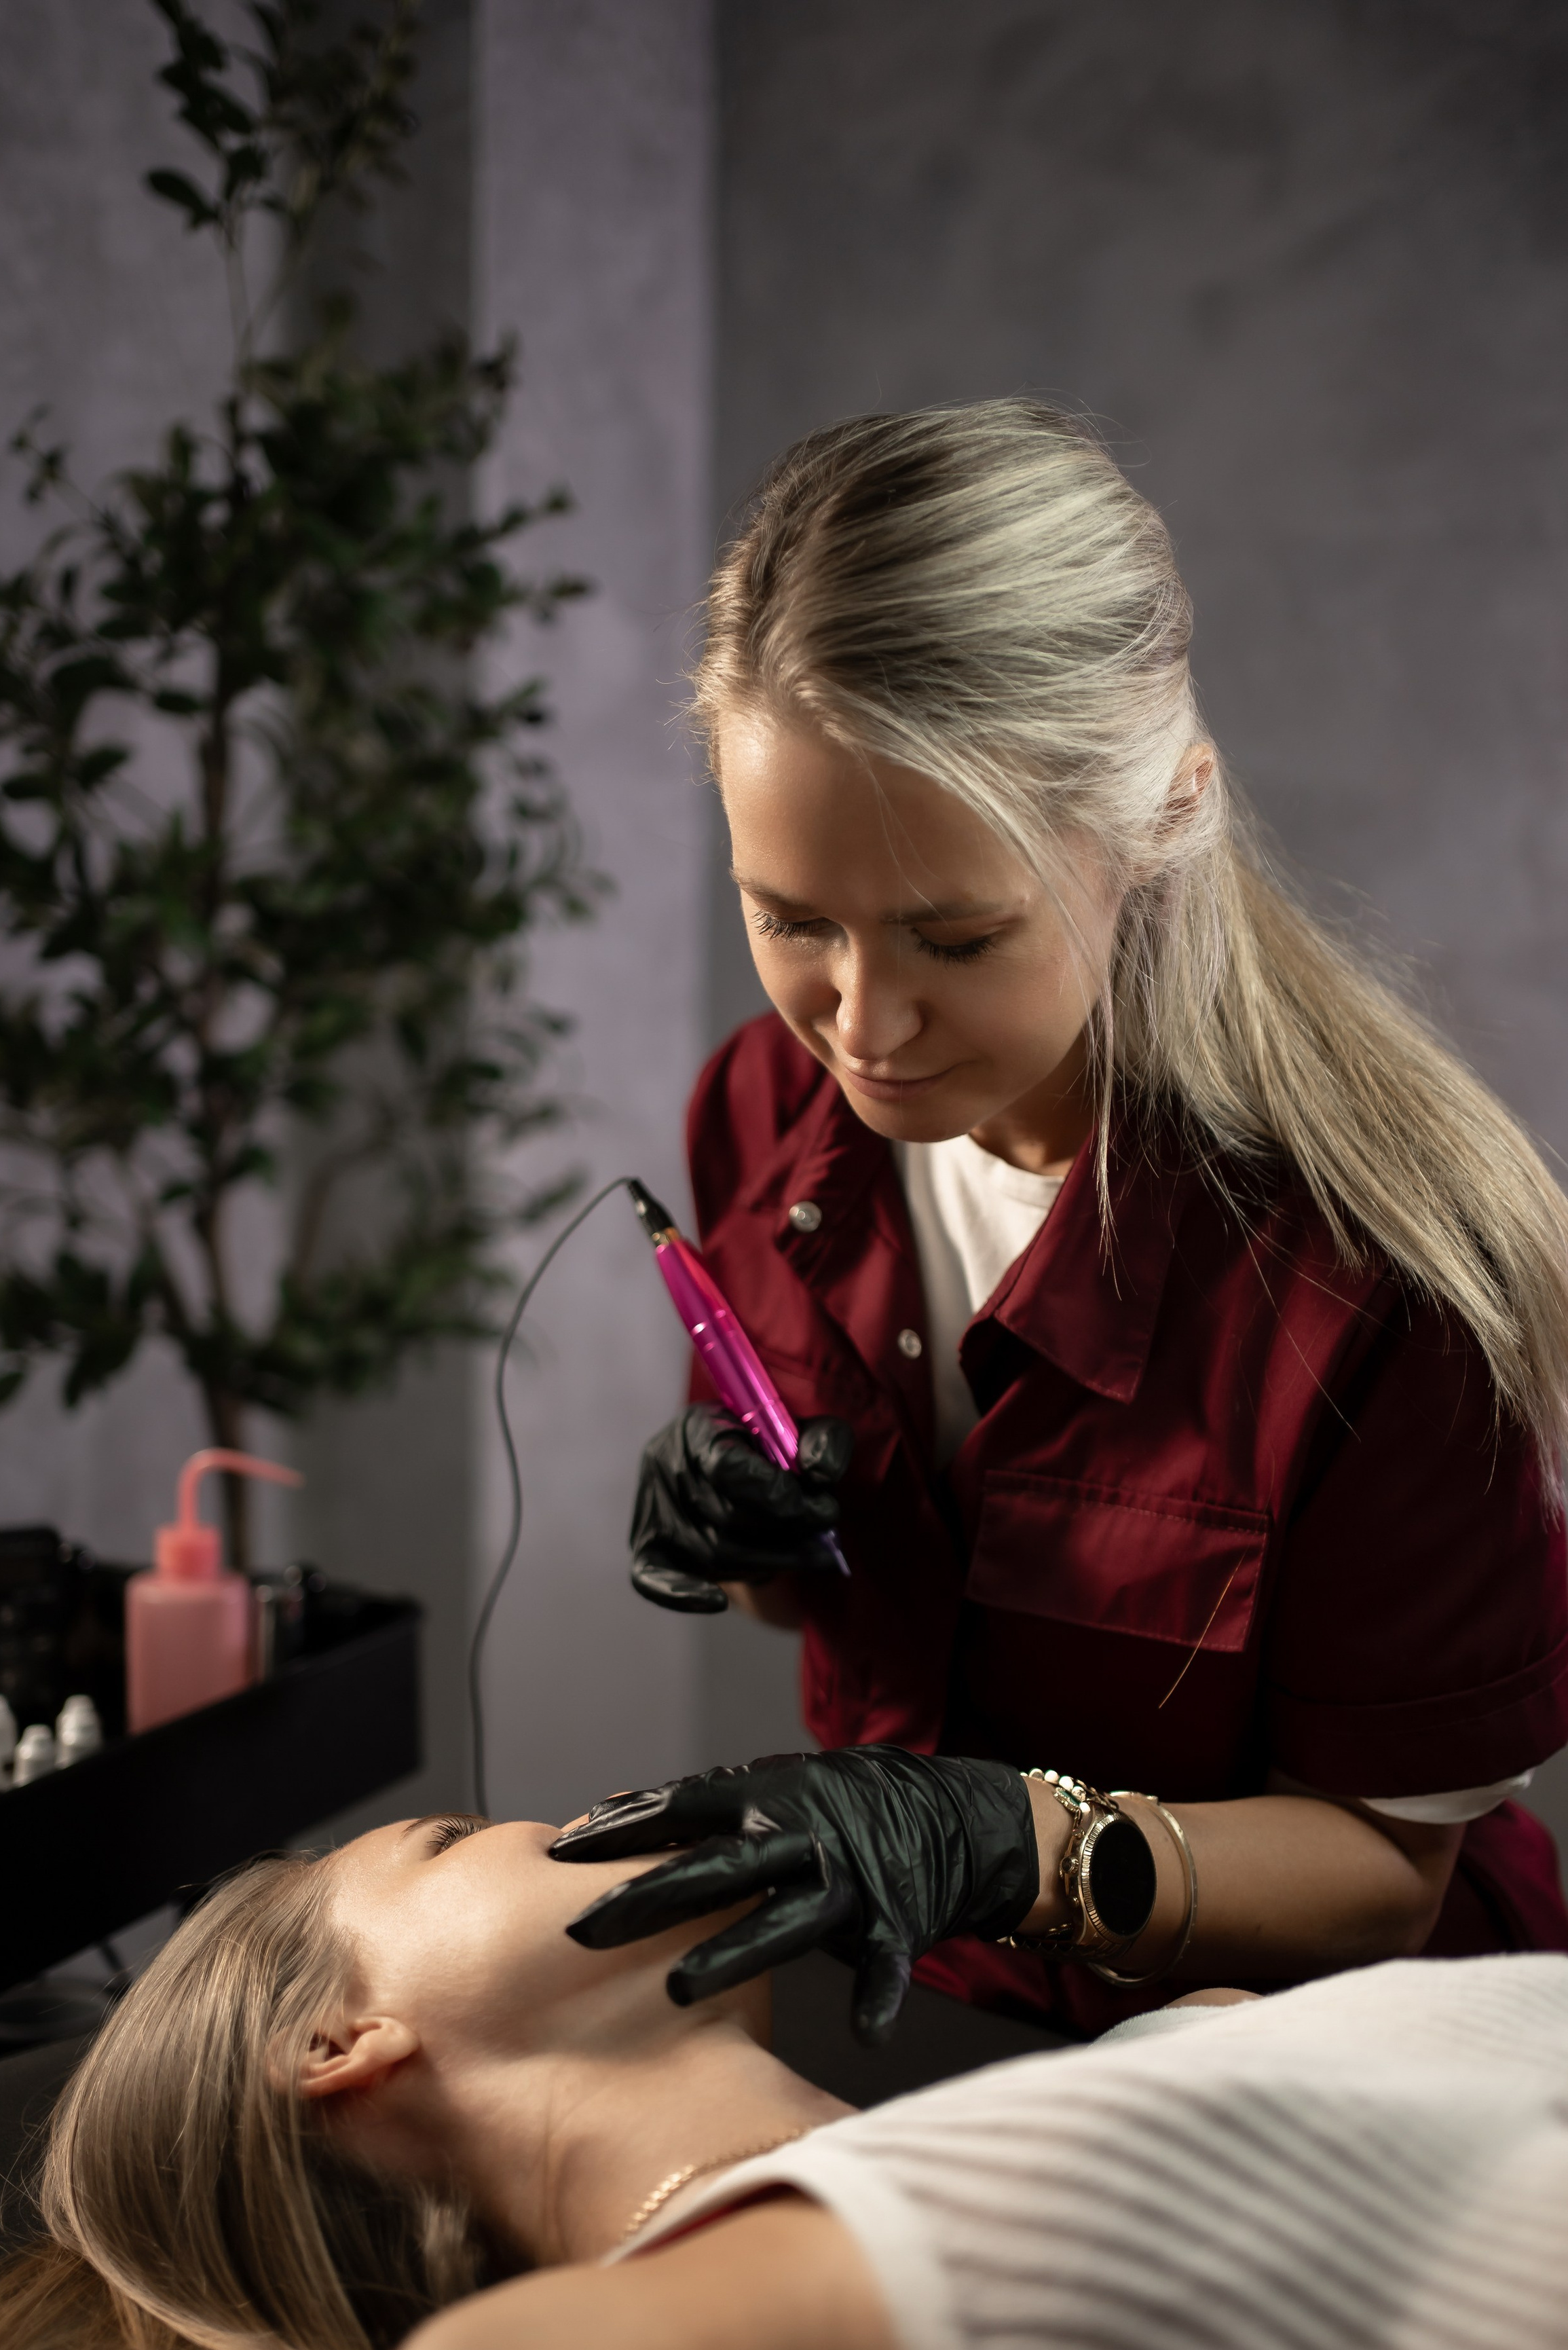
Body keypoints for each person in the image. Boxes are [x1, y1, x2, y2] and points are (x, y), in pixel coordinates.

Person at [616, 397, 1568, 2038]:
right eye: (790, 921)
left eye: (954, 937)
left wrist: (1022, 1849)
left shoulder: (1391, 1277)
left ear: (1160, 817)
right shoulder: (760, 1119)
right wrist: (749, 1538)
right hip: (921, 2018)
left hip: (1317, 2059)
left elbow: (1380, 1874)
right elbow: (834, 1597)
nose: (861, 1024)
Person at [0, 1814, 1568, 2350]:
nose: (564, 1812)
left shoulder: (1171, 2039)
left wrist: (1037, 1839)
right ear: (331, 2042)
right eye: (449, 1837)